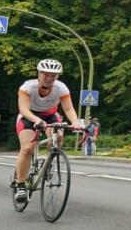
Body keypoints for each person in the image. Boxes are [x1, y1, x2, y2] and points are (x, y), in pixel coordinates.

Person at [11, 59, 85, 203]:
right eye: (46, 74)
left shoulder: (61, 88)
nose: (50, 78)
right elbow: (24, 109)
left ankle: (49, 163)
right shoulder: (27, 87)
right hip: (29, 116)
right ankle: (20, 185)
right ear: (39, 74)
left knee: (59, 137)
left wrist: (75, 122)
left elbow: (68, 108)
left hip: (50, 115)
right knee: (27, 148)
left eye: (54, 75)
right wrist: (36, 120)